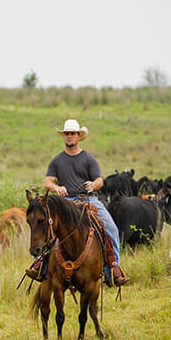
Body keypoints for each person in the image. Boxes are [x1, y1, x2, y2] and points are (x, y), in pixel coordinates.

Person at [25, 119, 129, 286]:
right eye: (66, 134)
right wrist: (56, 188)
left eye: (72, 133)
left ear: (78, 136)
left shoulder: (89, 159)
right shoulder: (57, 160)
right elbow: (47, 182)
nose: (69, 136)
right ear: (63, 136)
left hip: (88, 200)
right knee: (49, 228)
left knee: (111, 229)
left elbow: (100, 180)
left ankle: (113, 271)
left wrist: (93, 184)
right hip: (66, 202)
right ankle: (40, 267)